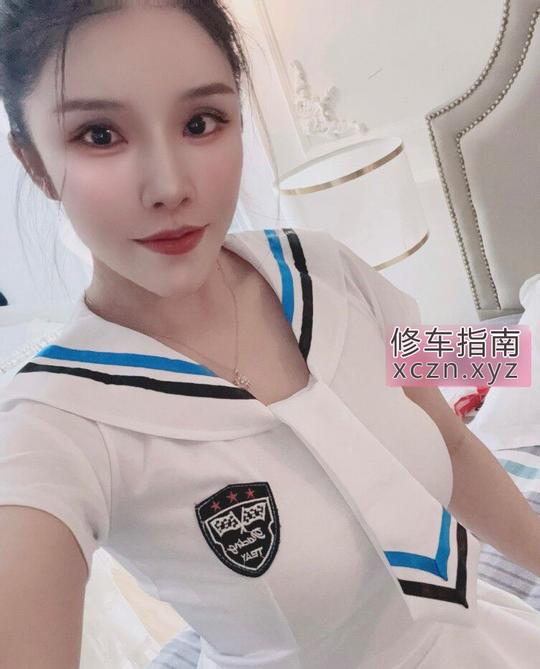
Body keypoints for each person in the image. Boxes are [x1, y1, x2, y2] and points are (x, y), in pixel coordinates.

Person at [1, 2, 540, 668]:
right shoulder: (56, 424)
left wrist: (514, 351)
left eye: (201, 122)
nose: (169, 186)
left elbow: (453, 433)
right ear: (33, 161)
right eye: (100, 134)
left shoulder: (325, 269)